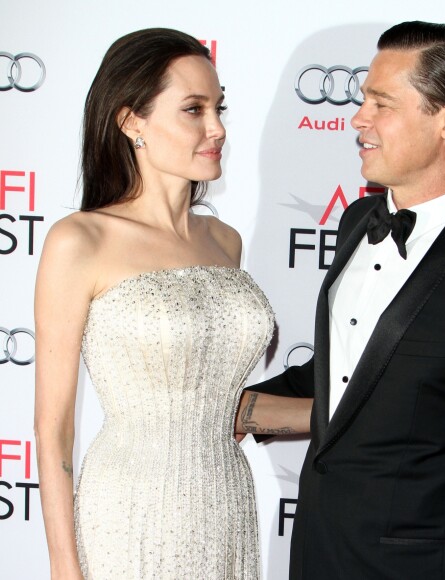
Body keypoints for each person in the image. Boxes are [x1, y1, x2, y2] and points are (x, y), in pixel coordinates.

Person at [244, 21, 445, 580]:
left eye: (382, 104)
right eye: (361, 100)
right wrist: (217, 401)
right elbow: (345, 375)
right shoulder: (355, 223)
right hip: (314, 557)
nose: (358, 119)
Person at [34, 28, 311, 580]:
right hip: (130, 510)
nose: (218, 129)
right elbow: (53, 426)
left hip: (226, 504)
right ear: (132, 120)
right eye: (194, 109)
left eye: (219, 107)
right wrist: (65, 566)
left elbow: (219, 402)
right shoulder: (81, 240)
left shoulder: (224, 240)